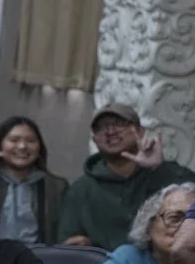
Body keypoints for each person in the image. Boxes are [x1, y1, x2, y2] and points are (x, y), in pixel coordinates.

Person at [53, 103, 195, 249]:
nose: (111, 131)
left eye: (120, 124)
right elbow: (66, 242)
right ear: (94, 139)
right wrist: (78, 244)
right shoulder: (80, 190)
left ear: (140, 131)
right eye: (101, 127)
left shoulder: (164, 172)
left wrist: (158, 168)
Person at [0, 116, 66, 246]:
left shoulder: (56, 186)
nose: (22, 146)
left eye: (31, 141)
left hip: (37, 255)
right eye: (14, 140)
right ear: (0, 144)